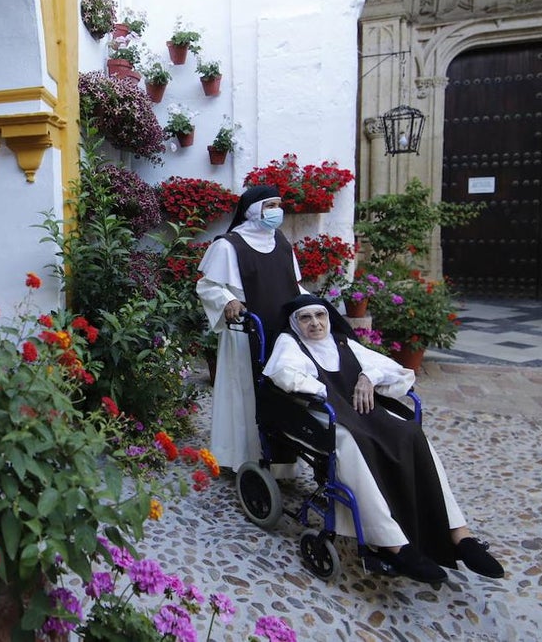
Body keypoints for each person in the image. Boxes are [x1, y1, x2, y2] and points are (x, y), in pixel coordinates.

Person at [262, 294, 505, 583]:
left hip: (362, 411)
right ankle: (393, 544)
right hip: (321, 417)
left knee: (411, 433)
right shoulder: (290, 344)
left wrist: (368, 377)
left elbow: (396, 371)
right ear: (295, 323)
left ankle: (459, 535)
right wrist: (322, 390)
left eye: (321, 315)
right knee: (353, 444)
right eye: (306, 318)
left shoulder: (343, 342)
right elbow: (283, 373)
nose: (315, 323)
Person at [196, 185, 304, 473]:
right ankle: (241, 459)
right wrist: (227, 299)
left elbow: (295, 284)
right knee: (244, 393)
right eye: (271, 206)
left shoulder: (281, 242)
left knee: (283, 392)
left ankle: (280, 464)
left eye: (279, 205)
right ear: (253, 209)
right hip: (246, 330)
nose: (277, 212)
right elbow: (207, 285)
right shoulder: (228, 245)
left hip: (282, 332)